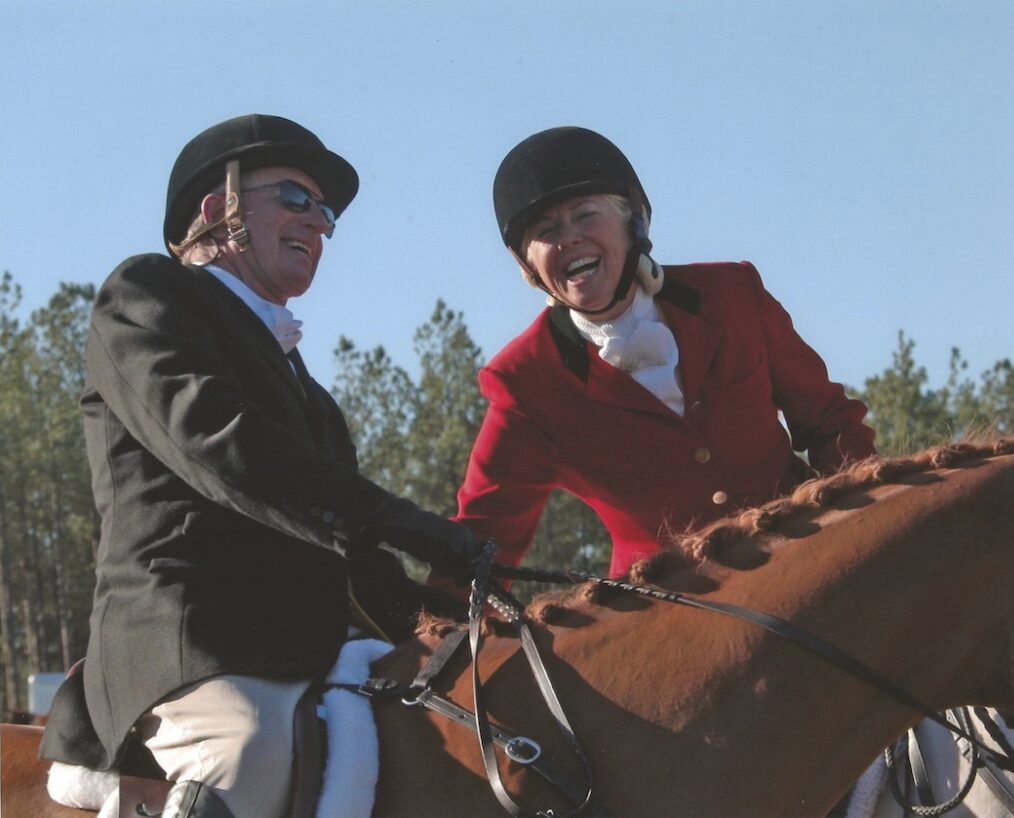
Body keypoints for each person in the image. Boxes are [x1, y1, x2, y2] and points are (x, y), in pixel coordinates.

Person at [39, 114, 479, 818]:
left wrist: (466, 611)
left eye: (325, 213)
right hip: (194, 637)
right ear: (221, 209)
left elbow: (351, 557)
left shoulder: (312, 395)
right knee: (250, 750)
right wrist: (406, 520)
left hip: (313, 643)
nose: (319, 223)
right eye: (297, 199)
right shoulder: (145, 295)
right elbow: (218, 441)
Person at [454, 126, 876, 578]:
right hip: (673, 602)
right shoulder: (525, 383)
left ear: (633, 219)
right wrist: (434, 620)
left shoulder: (732, 294)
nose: (568, 239)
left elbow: (833, 423)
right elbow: (482, 538)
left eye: (585, 215)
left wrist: (861, 534)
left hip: (810, 560)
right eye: (545, 230)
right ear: (527, 264)